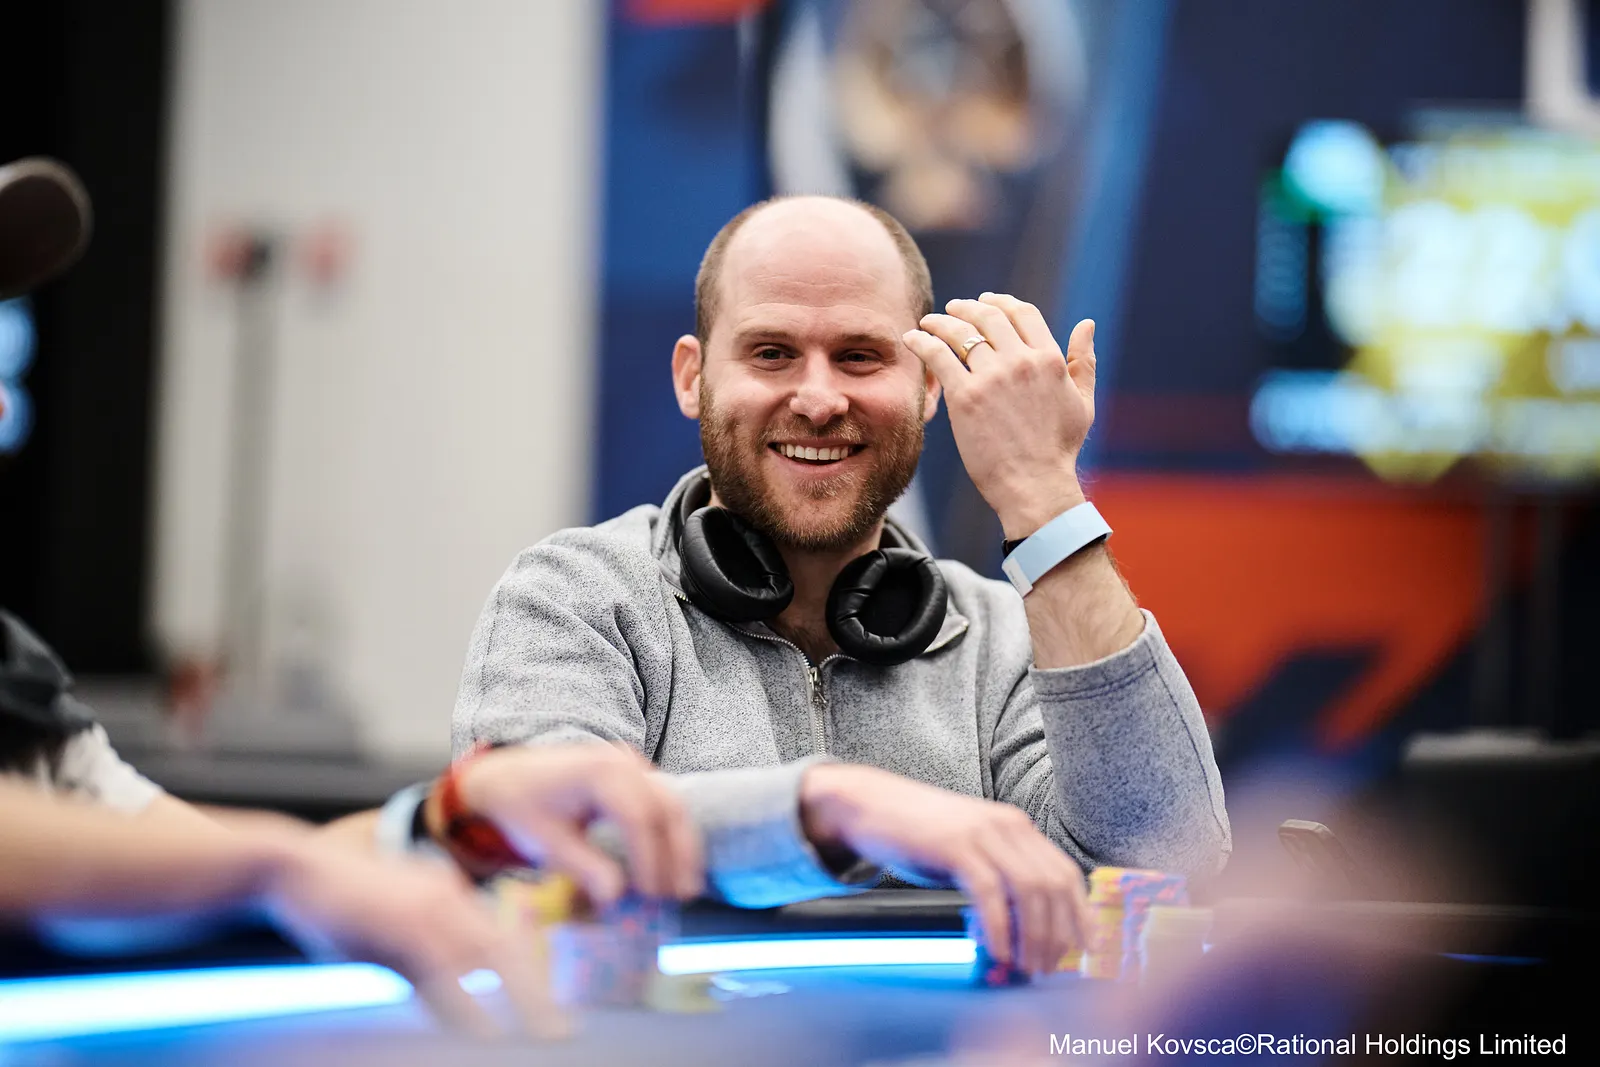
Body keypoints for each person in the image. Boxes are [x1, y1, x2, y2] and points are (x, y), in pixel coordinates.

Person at [0, 157, 707, 1037]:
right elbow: (265, 870)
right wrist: (275, 869)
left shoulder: (15, 679)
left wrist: (461, 815)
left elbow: (189, 860)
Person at [450, 195, 1232, 975]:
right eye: (772, 353)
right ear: (693, 377)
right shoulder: (577, 595)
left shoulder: (1011, 638)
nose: (819, 400)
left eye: (860, 355)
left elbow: (1163, 867)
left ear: (930, 386)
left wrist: (1044, 494)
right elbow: (539, 841)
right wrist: (835, 808)